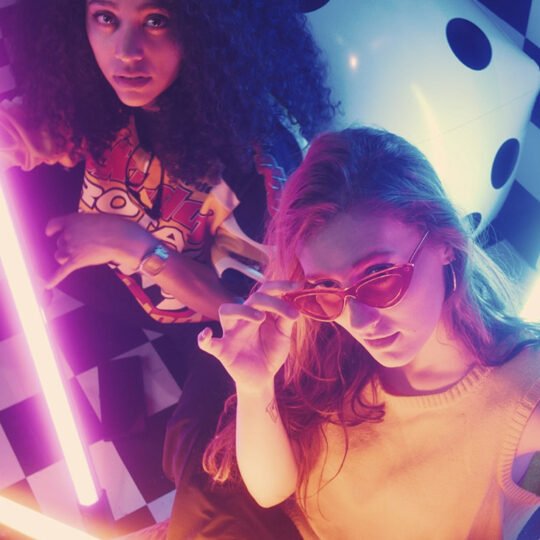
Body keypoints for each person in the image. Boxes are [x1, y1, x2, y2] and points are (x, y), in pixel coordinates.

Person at [0, 0, 335, 537]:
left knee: (200, 453)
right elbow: (38, 128)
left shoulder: (256, 157)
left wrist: (132, 245)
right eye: (105, 18)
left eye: (155, 21)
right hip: (112, 273)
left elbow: (242, 311)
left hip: (206, 316)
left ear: (205, 26)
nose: (125, 52)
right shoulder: (92, 87)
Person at [199, 127, 540, 539]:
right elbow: (272, 492)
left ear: (445, 243)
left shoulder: (524, 397)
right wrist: (255, 387)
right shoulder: (328, 346)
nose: (358, 322)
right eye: (326, 288)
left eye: (379, 276)